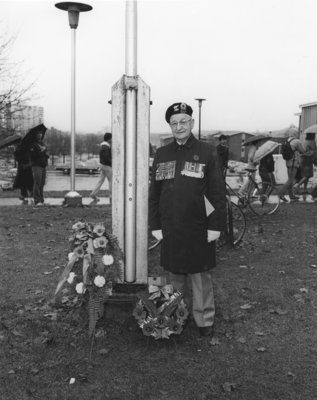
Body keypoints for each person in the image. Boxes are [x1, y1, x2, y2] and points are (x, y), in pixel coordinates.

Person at [149, 102, 227, 337]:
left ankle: (205, 320)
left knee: (200, 275)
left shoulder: (207, 151)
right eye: (174, 123)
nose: (179, 126)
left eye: (183, 121)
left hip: (199, 226)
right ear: (170, 127)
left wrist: (215, 226)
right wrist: (155, 225)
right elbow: (155, 193)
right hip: (171, 226)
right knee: (174, 274)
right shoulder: (162, 153)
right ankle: (174, 317)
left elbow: (216, 192)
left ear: (191, 123)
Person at [237, 135, 267, 200]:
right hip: (251, 167)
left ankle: (246, 193)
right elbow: (251, 157)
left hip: (251, 166)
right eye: (260, 142)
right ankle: (241, 191)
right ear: (257, 142)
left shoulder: (253, 147)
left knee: (251, 182)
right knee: (250, 181)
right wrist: (256, 162)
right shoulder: (253, 148)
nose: (260, 143)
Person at [278, 130, 305, 202]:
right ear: (296, 134)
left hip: (288, 162)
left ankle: (291, 196)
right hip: (294, 163)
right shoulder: (297, 141)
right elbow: (303, 151)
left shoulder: (287, 141)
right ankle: (281, 193)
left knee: (290, 179)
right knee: (290, 180)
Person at [90, 132, 112, 203]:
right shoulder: (106, 147)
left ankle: (93, 194)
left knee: (101, 180)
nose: (112, 139)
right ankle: (112, 196)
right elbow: (106, 158)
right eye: (111, 138)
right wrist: (111, 163)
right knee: (112, 181)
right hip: (106, 165)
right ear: (109, 139)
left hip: (102, 165)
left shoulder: (103, 146)